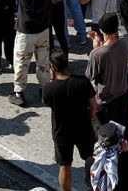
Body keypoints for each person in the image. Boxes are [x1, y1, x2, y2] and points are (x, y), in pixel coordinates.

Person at [5, 0, 56, 107]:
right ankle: (45, 88)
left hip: (26, 31)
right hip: (44, 28)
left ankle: (19, 92)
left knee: (21, 61)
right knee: (43, 60)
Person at [44, 47, 97, 191]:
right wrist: (89, 119)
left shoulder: (49, 89)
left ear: (52, 67)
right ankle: (97, 185)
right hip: (83, 127)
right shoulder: (82, 81)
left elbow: (48, 103)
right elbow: (93, 106)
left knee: (65, 165)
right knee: (92, 157)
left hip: (62, 132)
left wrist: (51, 79)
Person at [87, 12, 128, 133]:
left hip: (105, 104)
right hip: (122, 98)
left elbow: (88, 76)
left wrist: (97, 49)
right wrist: (100, 45)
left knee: (105, 140)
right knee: (122, 136)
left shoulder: (97, 54)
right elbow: (112, 52)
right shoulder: (124, 43)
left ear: (101, 29)